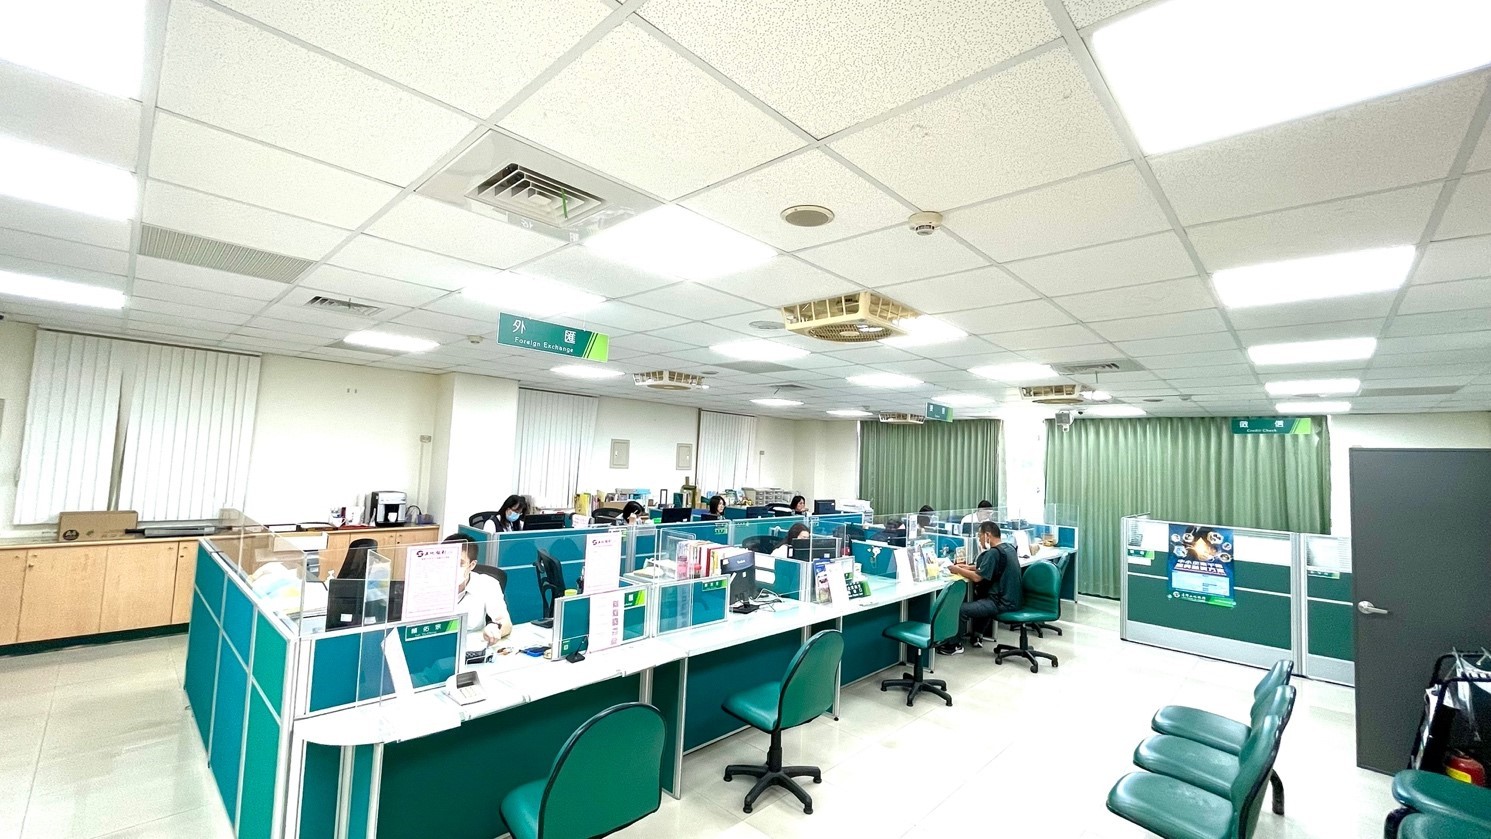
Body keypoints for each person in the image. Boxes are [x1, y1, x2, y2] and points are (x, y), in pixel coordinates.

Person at [937, 521, 1022, 656]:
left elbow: (977, 578)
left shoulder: (993, 553)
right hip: (1013, 600)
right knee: (982, 598)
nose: (979, 539)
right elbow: (988, 567)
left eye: (979, 536)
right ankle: (977, 635)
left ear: (987, 535)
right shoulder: (1008, 548)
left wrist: (957, 569)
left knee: (961, 609)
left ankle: (955, 645)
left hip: (1000, 603)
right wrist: (967, 567)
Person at [446, 534, 512, 657]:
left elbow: (506, 623)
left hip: (470, 650)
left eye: (460, 563)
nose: (452, 567)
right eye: (447, 561)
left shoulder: (487, 584)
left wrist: (495, 628)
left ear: (471, 565)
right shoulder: (424, 584)